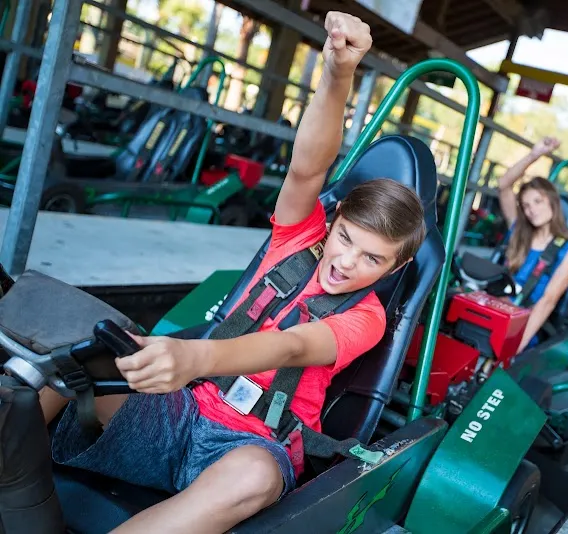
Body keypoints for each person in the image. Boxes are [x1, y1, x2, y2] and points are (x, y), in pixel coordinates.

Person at [37, 13, 427, 534]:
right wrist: (337, 72)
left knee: (255, 476)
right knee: (80, 350)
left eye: (372, 260)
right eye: (347, 239)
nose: (347, 262)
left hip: (248, 445)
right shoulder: (296, 240)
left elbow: (292, 347)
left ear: (396, 267)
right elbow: (307, 169)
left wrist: (194, 355)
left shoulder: (368, 318)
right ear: (332, 223)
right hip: (181, 411)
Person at [497, 138, 568, 352]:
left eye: (538, 201)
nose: (531, 210)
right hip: (498, 307)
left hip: (526, 325)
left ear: (552, 202)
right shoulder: (519, 230)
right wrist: (534, 155)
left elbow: (548, 300)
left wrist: (514, 348)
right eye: (526, 205)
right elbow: (503, 185)